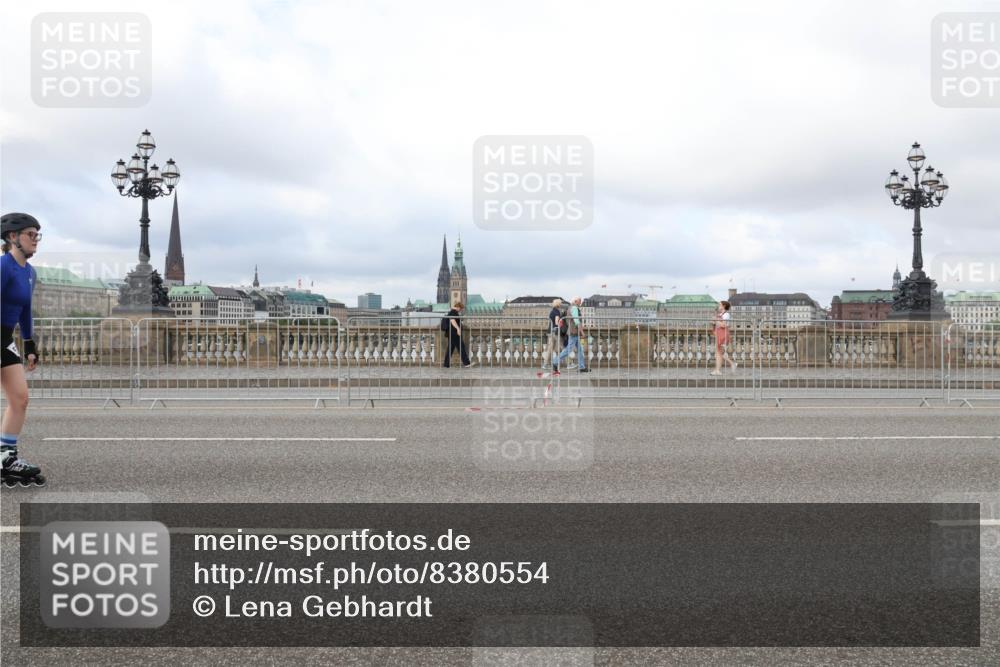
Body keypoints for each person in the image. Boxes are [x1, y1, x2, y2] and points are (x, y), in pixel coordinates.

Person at [1, 212, 45, 487]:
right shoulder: (3, 266)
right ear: (12, 237)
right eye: (31, 234)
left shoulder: (29, 272)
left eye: (38, 235)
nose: (35, 240)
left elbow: (26, 309)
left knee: (20, 399)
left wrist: (29, 344)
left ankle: (6, 456)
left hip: (5, 338)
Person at [555, 297, 589, 374]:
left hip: (573, 331)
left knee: (579, 350)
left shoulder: (570, 307)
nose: (581, 303)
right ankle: (555, 361)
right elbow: (577, 321)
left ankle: (582, 367)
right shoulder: (574, 308)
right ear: (575, 301)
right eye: (580, 301)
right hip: (574, 332)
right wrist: (582, 332)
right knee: (568, 350)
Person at [442, 301, 474, 369]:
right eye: (461, 308)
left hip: (452, 333)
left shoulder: (452, 311)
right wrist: (458, 329)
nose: (461, 310)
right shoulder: (453, 312)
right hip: (454, 333)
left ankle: (446, 364)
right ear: (458, 307)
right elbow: (452, 321)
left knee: (450, 349)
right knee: (461, 348)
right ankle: (467, 363)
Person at [711, 300, 738, 376]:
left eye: (720, 305)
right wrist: (713, 322)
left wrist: (715, 320)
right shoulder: (721, 314)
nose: (718, 306)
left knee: (719, 353)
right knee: (719, 353)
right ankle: (717, 370)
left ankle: (731, 364)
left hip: (723, 334)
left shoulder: (726, 315)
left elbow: (724, 325)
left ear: (724, 306)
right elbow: (718, 324)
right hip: (719, 333)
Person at [543, 298, 562, 369]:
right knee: (563, 347)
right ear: (558, 304)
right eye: (560, 303)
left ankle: (545, 364)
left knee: (550, 349)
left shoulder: (552, 311)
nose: (561, 304)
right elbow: (557, 322)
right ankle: (569, 363)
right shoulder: (557, 312)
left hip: (550, 331)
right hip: (555, 331)